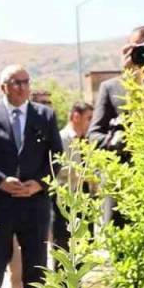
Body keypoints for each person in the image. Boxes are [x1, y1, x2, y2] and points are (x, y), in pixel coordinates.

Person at [0, 64, 63, 288]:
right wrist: (0, 181)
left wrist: (40, 184)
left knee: (36, 269)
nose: (22, 87)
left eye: (26, 82)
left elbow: (57, 158)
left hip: (33, 205)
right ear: (4, 87)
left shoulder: (45, 115)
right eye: (16, 82)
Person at [88, 25, 144, 155]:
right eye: (137, 48)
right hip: (130, 170)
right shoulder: (111, 88)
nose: (143, 53)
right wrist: (118, 141)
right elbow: (93, 135)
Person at [52, 101, 93, 251]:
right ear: (76, 116)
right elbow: (59, 166)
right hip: (65, 198)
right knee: (64, 243)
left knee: (82, 242)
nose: (91, 122)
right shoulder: (62, 138)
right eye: (88, 118)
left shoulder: (85, 139)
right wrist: (83, 174)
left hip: (82, 196)